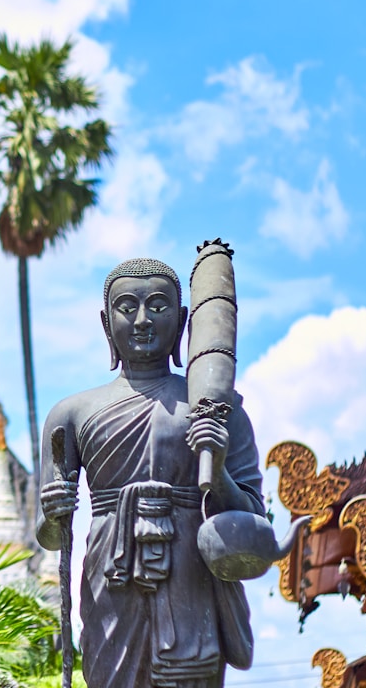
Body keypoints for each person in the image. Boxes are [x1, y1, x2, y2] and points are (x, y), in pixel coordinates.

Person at [38, 258, 264, 688]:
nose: (142, 320)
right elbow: (49, 537)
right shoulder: (70, 414)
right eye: (127, 307)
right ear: (107, 324)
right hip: (112, 577)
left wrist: (215, 472)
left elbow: (253, 521)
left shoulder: (218, 409)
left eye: (158, 307)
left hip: (191, 578)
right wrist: (55, 512)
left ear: (182, 322)